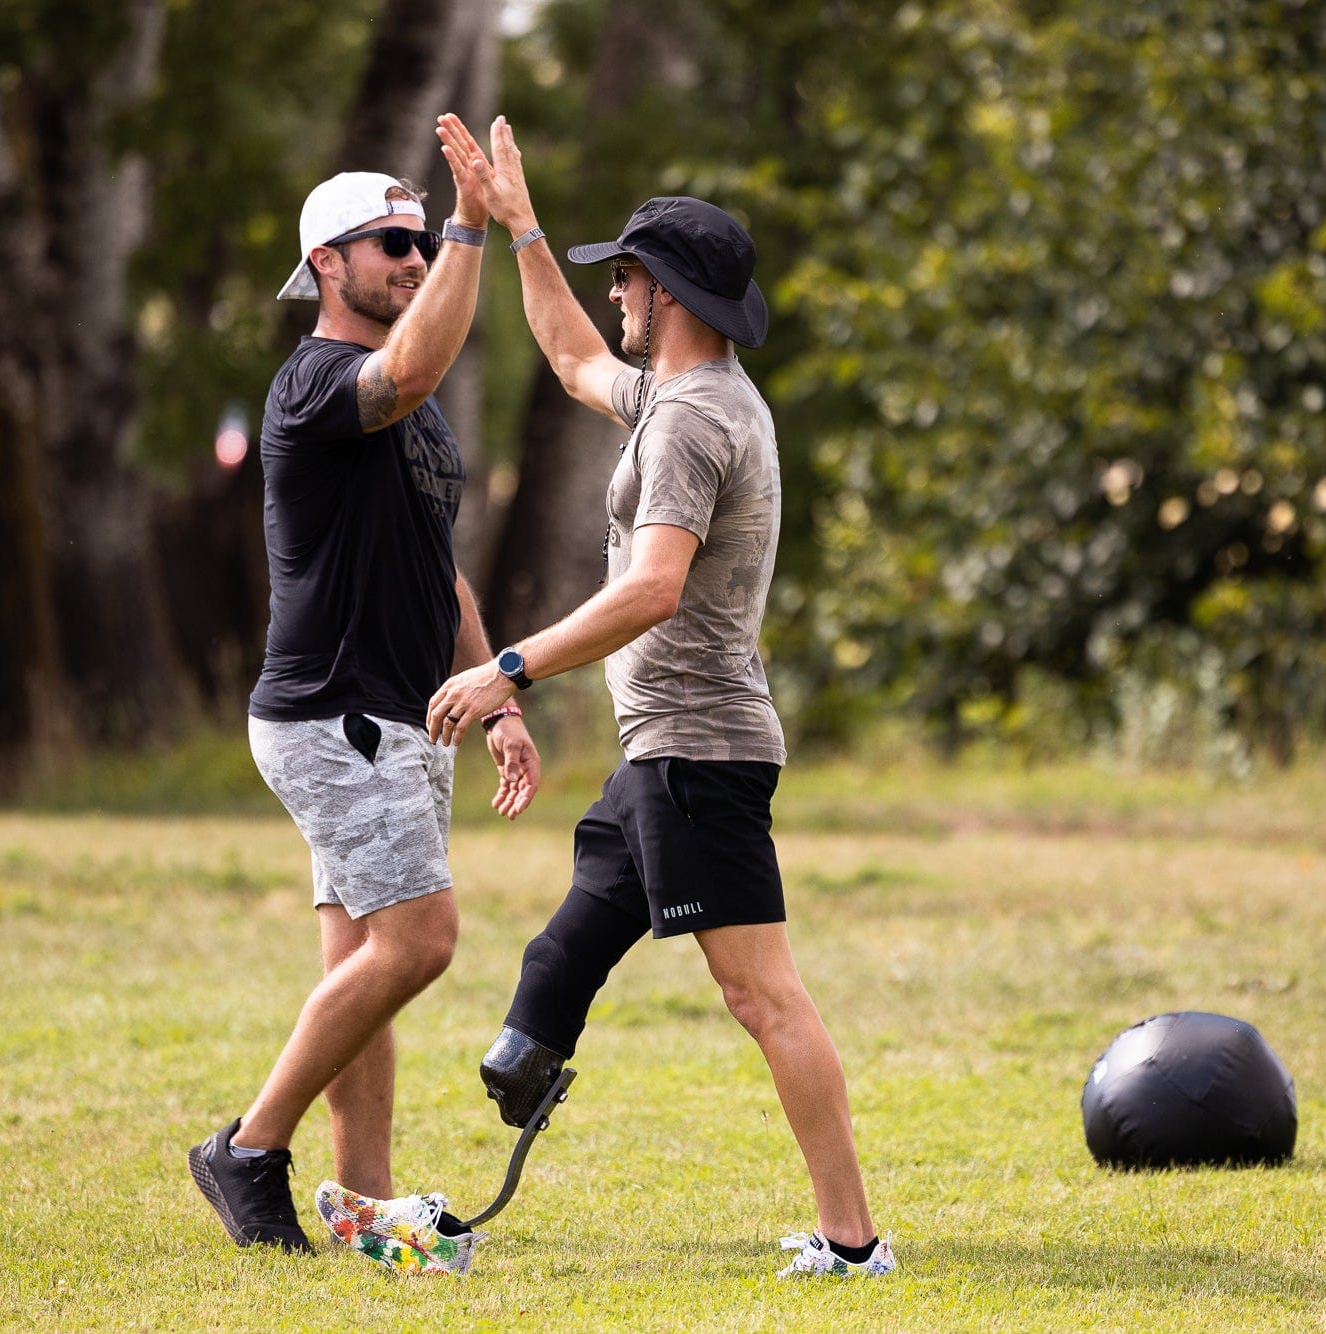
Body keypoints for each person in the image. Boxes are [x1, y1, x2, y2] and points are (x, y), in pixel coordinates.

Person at [336, 115, 895, 1280]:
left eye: (627, 278)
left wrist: (505, 668)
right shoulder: (682, 393)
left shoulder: (692, 421)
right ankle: (515, 1082)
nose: (615, 295)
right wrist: (519, 224)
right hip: (659, 757)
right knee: (558, 956)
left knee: (759, 994)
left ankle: (851, 1242)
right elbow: (569, 357)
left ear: (670, 291)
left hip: (699, 754)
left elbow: (651, 587)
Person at [189, 117, 542, 1262]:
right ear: (325, 264)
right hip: (332, 710)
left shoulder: (415, 415)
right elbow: (411, 367)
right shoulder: (314, 383)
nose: (409, 257)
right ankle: (248, 1147)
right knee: (421, 938)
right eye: (390, 243)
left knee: (364, 963)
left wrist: (496, 693)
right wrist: (471, 226)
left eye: (418, 241)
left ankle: (361, 1200)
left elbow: (439, 568)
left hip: (400, 713)